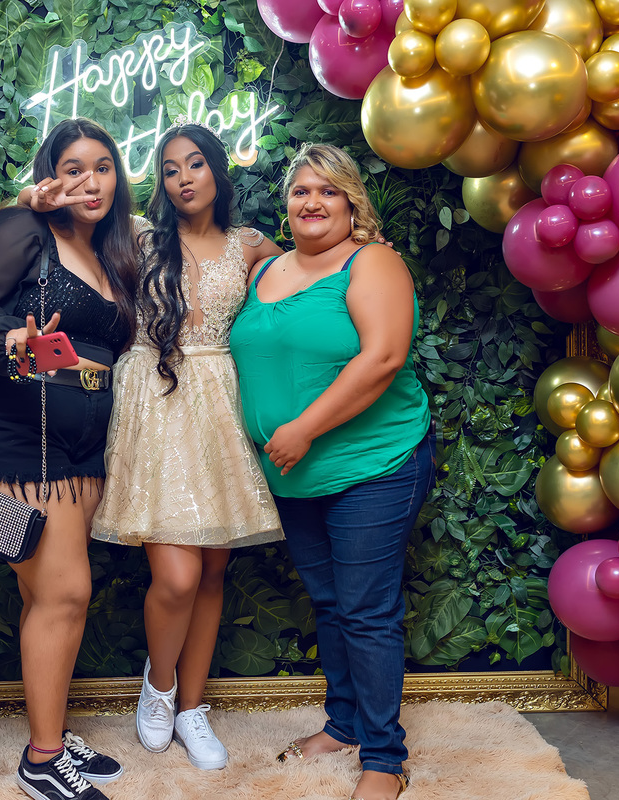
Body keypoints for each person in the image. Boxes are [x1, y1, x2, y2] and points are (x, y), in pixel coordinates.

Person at [23, 122, 283, 770]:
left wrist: (362, 248)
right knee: (177, 575)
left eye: (195, 163)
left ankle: (192, 708)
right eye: (170, 169)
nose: (183, 178)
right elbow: (55, 230)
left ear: (218, 169)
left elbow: (311, 278)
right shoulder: (137, 235)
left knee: (214, 572)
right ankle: (159, 687)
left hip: (221, 407)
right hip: (154, 403)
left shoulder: (252, 246)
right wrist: (33, 198)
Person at [228, 144, 435, 800]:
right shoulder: (266, 266)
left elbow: (384, 357)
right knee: (330, 603)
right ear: (286, 205)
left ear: (352, 204)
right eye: (301, 191)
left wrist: (303, 428)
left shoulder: (373, 262)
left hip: (374, 462)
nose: (312, 202)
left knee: (366, 610)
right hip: (295, 474)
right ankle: (344, 725)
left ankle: (385, 759)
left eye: (328, 191)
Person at [0, 117, 139, 800]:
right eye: (74, 168)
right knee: (66, 592)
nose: (91, 182)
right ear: (49, 177)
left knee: (46, 594)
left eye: (103, 167)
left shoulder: (113, 252)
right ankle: (42, 759)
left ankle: (50, 730)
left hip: (81, 442)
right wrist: (12, 340)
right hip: (14, 432)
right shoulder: (23, 229)